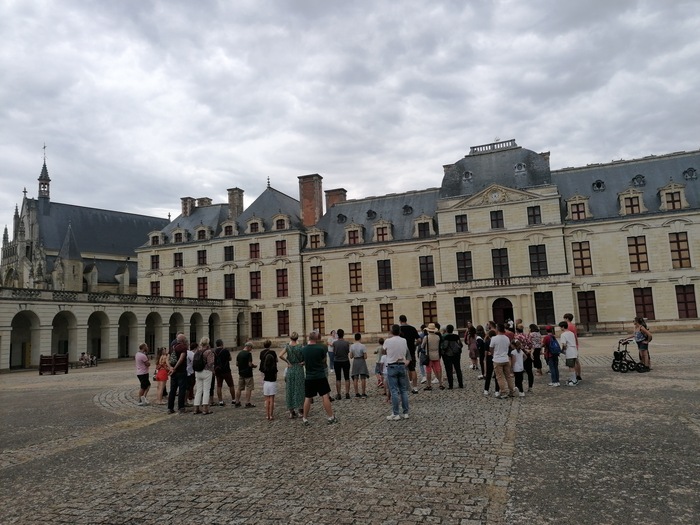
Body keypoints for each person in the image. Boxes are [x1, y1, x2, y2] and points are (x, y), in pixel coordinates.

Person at [301, 331, 337, 426]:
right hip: (320, 375)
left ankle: (305, 418)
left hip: (309, 376)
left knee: (308, 398)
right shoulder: (321, 348)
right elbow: (323, 359)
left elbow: (303, 360)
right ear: (317, 338)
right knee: (325, 396)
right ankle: (331, 416)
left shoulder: (304, 349)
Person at [383, 324, 410, 420]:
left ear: (391, 331)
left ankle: (396, 413)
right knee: (403, 390)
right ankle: (406, 412)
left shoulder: (387, 341)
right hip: (402, 365)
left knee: (394, 390)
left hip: (392, 365)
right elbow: (406, 351)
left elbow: (384, 351)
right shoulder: (404, 340)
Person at [279, 332, 305, 418]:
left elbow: (280, 355)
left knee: (290, 388)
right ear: (297, 338)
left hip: (291, 369)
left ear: (290, 338)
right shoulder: (300, 346)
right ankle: (300, 410)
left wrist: (288, 362)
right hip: (298, 368)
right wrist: (303, 362)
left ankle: (291, 411)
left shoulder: (287, 347)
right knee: (299, 388)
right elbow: (305, 357)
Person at [490, 323, 515, 399]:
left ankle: (503, 392)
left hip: (497, 359)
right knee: (508, 376)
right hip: (505, 359)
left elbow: (491, 348)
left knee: (500, 377)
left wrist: (493, 354)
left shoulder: (494, 338)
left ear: (497, 329)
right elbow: (508, 347)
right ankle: (512, 391)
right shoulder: (506, 338)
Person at [398, 315, 421, 394]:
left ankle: (405, 386)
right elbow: (419, 340)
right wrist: (415, 344)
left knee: (402, 369)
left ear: (400, 321)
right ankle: (415, 387)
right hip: (411, 350)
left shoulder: (399, 329)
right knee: (412, 369)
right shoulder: (412, 328)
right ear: (406, 320)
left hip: (402, 351)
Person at [167, 334, 189, 414]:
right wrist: (175, 368)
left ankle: (170, 408)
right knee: (182, 389)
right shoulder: (183, 347)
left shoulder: (172, 347)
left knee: (172, 390)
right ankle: (181, 407)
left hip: (173, 372)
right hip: (181, 371)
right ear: (183, 340)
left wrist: (171, 368)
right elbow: (181, 358)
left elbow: (167, 359)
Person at [193, 337, 215, 415]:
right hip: (206, 371)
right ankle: (205, 408)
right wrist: (212, 371)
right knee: (206, 390)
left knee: (198, 390)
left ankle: (196, 408)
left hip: (198, 372)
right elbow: (210, 363)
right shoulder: (209, 352)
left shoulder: (197, 351)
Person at [421, 323, 444, 390]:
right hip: (436, 355)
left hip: (429, 355)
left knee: (428, 371)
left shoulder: (426, 337)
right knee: (438, 369)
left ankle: (429, 385)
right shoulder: (437, 337)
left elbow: (422, 346)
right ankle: (440, 384)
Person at [213, 339, 236, 406]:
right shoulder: (225, 351)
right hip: (226, 370)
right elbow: (230, 358)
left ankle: (220, 401)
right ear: (222, 344)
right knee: (231, 385)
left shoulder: (214, 351)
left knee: (219, 386)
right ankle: (233, 399)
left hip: (218, 370)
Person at [235, 341, 256, 408]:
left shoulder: (239, 353)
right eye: (251, 348)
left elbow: (237, 364)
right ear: (249, 347)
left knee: (239, 388)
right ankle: (247, 402)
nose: (251, 349)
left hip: (241, 373)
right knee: (249, 388)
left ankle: (237, 402)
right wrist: (253, 366)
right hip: (248, 373)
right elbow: (249, 364)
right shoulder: (248, 354)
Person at [441, 324, 464, 389]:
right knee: (458, 369)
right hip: (456, 354)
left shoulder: (445, 337)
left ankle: (451, 385)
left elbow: (445, 346)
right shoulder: (456, 336)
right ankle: (461, 384)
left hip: (448, 354)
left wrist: (443, 351)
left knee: (449, 370)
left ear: (447, 330)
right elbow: (461, 345)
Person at [332, 329, 351, 400]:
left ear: (337, 335)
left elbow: (334, 352)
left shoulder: (335, 343)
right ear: (343, 334)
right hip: (345, 360)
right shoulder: (346, 343)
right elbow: (347, 351)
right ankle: (347, 393)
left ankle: (339, 394)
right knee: (347, 377)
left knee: (338, 378)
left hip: (337, 361)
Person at [349, 332, 369, 398]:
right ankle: (363, 392)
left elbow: (351, 356)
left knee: (355, 377)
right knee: (363, 378)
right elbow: (365, 356)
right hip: (361, 361)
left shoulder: (352, 346)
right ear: (360, 338)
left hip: (355, 361)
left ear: (355, 338)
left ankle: (356, 393)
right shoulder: (363, 346)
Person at [558, 321, 578, 386]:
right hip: (574, 350)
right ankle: (573, 378)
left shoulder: (563, 334)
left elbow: (564, 344)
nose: (560, 329)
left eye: (561, 327)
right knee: (573, 365)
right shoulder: (571, 333)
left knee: (571, 366)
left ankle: (573, 380)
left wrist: (562, 351)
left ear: (563, 327)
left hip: (569, 351)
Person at [260, 346, 278, 420]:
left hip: (266, 383)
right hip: (272, 383)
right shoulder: (274, 368)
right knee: (272, 400)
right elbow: (275, 376)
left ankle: (267, 415)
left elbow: (263, 375)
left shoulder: (265, 368)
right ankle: (271, 415)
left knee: (267, 400)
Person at [563, 313, 582, 381]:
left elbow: (568, 336)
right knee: (576, 360)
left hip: (571, 345)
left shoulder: (568, 326)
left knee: (573, 362)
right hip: (575, 344)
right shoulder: (573, 325)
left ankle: (575, 376)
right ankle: (578, 375)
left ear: (567, 318)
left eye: (564, 318)